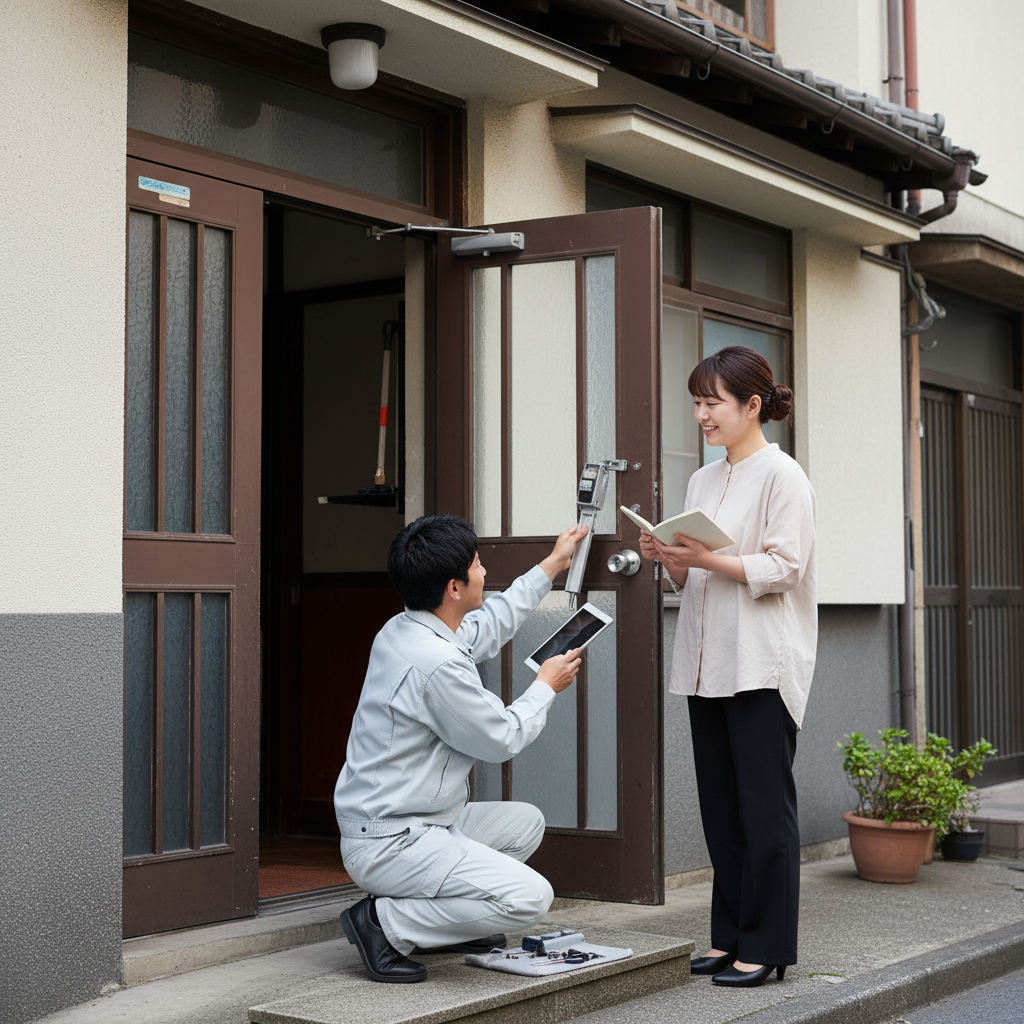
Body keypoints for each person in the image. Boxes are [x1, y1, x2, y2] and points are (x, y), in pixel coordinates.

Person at [334, 513, 588, 983]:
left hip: (414, 822)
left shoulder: (408, 627)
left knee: (525, 824)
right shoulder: (436, 664)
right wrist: (545, 686)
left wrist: (553, 564)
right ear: (454, 587)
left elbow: (489, 624)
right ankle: (383, 924)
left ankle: (444, 928)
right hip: (392, 840)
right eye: (476, 564)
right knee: (531, 898)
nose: (484, 571)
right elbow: (502, 737)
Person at [638, 345, 817, 989]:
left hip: (762, 665)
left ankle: (767, 947)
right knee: (721, 809)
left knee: (764, 811)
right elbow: (696, 581)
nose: (702, 415)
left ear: (752, 404)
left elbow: (784, 568)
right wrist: (670, 559)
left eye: (712, 402)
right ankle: (731, 936)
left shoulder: (783, 476)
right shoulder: (702, 481)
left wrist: (706, 559)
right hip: (706, 663)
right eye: (697, 402)